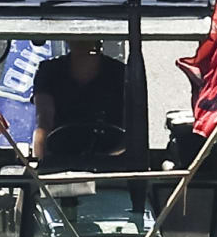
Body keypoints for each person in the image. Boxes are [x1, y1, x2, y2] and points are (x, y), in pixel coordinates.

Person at [29, 37, 137, 170]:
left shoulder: (121, 73)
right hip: (61, 164)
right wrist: (42, 169)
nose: (81, 40)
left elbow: (133, 126)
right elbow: (44, 121)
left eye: (88, 35)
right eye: (75, 35)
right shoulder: (49, 71)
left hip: (112, 164)